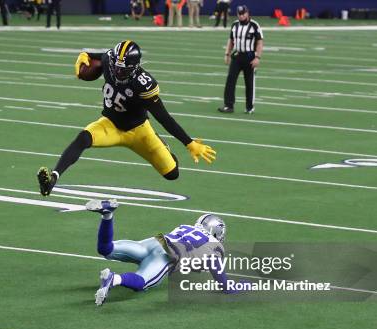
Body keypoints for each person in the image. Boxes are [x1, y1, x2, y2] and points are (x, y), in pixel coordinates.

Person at [37, 40, 216, 196]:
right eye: (115, 66)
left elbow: (164, 117)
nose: (116, 72)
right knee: (83, 138)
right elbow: (96, 56)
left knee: (172, 173)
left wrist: (189, 143)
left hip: (139, 131)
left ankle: (164, 147)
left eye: (122, 70)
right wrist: (83, 55)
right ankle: (53, 178)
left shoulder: (143, 84)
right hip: (110, 125)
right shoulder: (110, 60)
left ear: (134, 68)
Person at [85, 199, 230, 306]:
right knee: (141, 282)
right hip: (166, 255)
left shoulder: (186, 226)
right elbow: (219, 275)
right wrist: (233, 287)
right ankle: (114, 279)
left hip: (155, 242)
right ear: (217, 232)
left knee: (106, 249)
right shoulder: (214, 245)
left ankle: (107, 216)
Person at [218, 5, 263, 114]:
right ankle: (228, 105)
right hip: (237, 56)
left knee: (249, 83)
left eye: (243, 13)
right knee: (230, 80)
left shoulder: (254, 25)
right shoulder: (235, 25)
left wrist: (257, 57)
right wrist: (227, 54)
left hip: (249, 57)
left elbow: (260, 42)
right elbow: (231, 40)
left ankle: (249, 107)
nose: (241, 15)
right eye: (239, 14)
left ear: (247, 13)